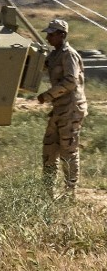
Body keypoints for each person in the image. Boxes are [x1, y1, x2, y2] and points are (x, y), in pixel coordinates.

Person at [36, 18, 88, 198]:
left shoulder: (69, 54)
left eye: (51, 34)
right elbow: (40, 67)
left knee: (68, 150)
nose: (48, 37)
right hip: (59, 108)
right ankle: (48, 192)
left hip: (71, 108)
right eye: (48, 34)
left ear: (62, 35)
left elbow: (71, 82)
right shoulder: (54, 55)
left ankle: (70, 193)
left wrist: (47, 95)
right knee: (49, 148)